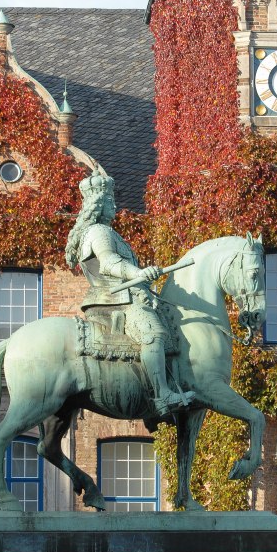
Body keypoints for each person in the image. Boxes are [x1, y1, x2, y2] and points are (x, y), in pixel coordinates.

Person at [65, 169, 193, 416]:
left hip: (124, 296)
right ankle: (162, 395)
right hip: (116, 300)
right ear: (98, 205)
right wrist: (139, 273)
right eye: (110, 200)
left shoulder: (107, 232)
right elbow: (108, 264)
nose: (114, 204)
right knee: (153, 334)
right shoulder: (99, 232)